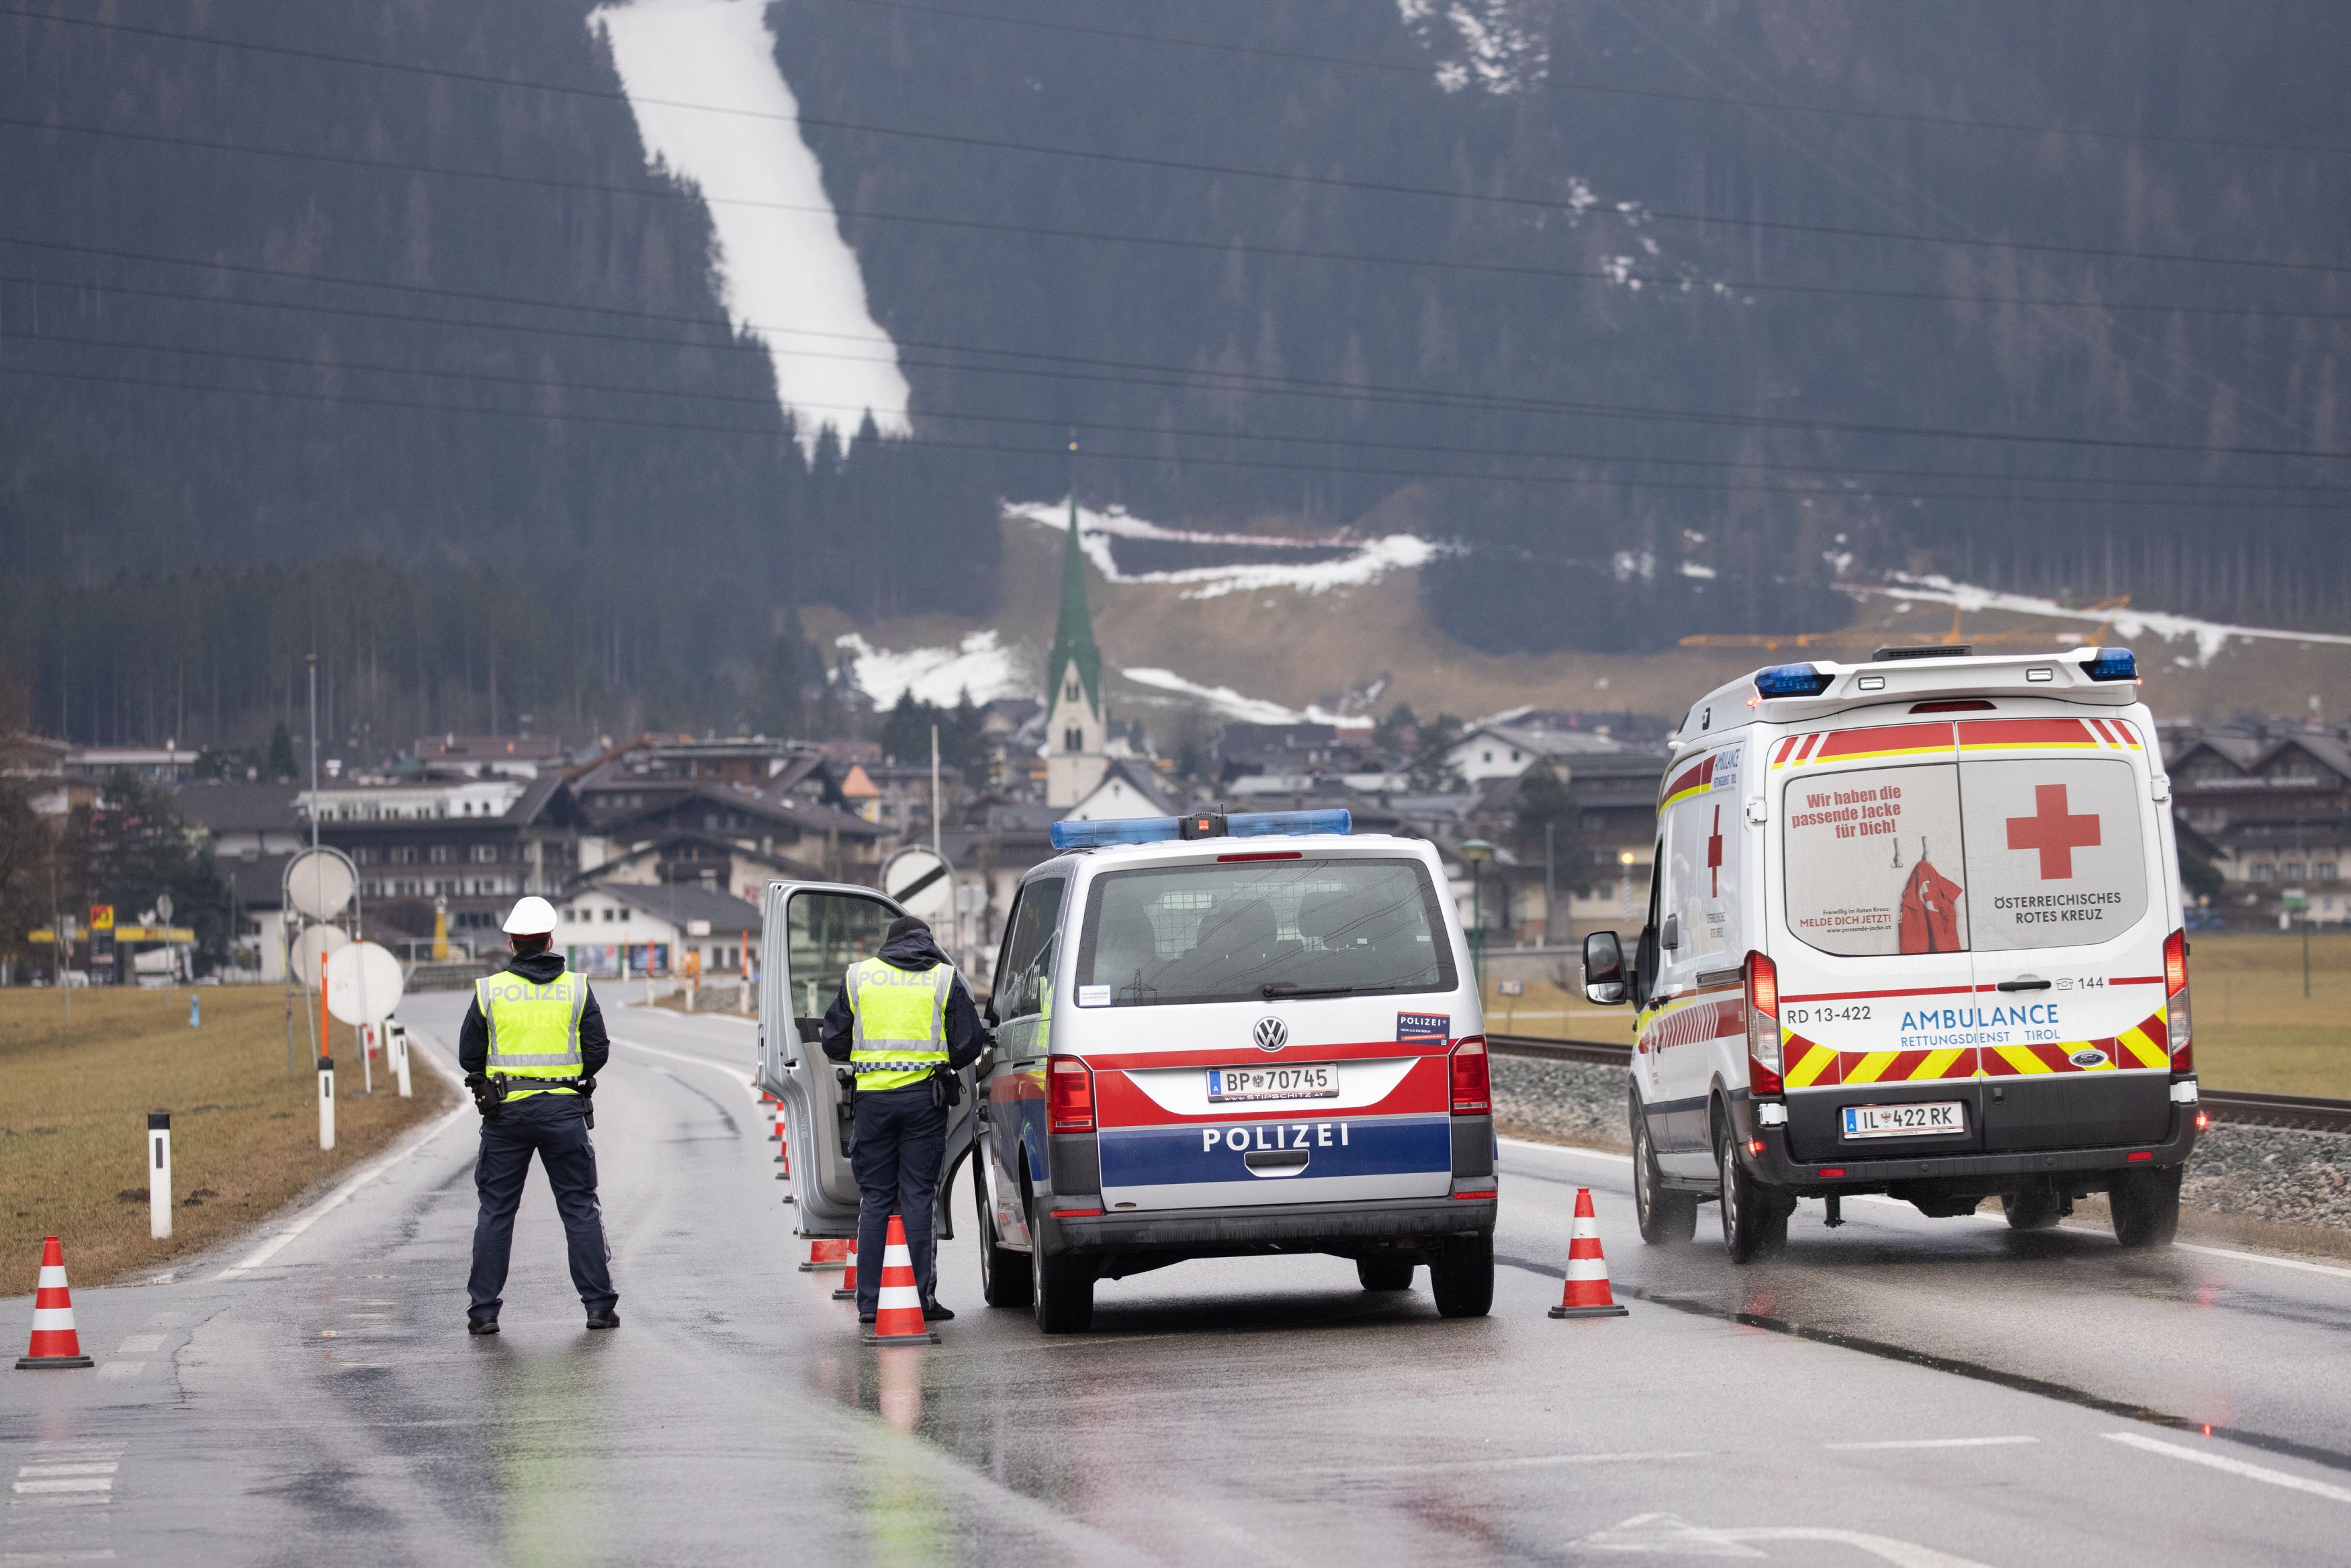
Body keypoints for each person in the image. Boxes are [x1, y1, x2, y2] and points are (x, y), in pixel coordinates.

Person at [458, 895, 618, 1335]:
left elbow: (468, 1055)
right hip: (564, 1113)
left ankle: (483, 1313)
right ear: (550, 941)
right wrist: (572, 1079)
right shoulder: (577, 988)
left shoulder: (490, 990)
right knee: (579, 1206)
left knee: (496, 1211)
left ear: (512, 943)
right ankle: (599, 1308)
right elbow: (598, 1050)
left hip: (505, 1116)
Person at [819, 915, 987, 1326]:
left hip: (872, 1102)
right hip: (923, 1102)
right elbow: (969, 1044)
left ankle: (871, 1303)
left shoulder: (860, 977)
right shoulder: (943, 978)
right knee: (918, 1196)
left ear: (888, 943)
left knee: (875, 1199)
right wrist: (939, 1059)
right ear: (926, 942)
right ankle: (919, 1299)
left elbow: (832, 1040)